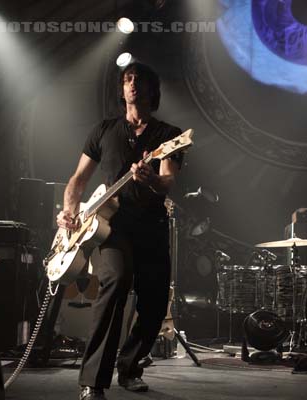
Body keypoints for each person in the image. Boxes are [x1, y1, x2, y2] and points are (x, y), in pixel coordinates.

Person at [56, 62, 183, 400]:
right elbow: (77, 180)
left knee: (155, 303)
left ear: (152, 90)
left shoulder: (168, 135)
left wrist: (151, 178)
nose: (132, 85)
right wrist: (69, 211)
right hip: (112, 227)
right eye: (127, 80)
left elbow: (167, 181)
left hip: (152, 227)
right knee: (116, 282)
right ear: (122, 88)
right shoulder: (103, 130)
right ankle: (93, 381)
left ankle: (129, 366)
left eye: (139, 80)